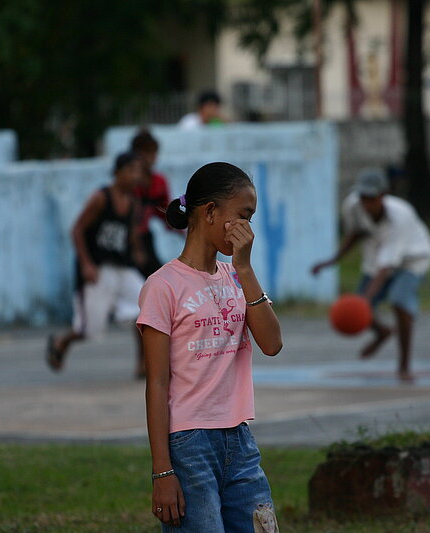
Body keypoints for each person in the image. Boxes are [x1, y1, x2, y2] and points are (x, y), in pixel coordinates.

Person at [137, 162, 283, 531]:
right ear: (211, 212)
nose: (248, 228)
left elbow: (272, 343)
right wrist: (162, 472)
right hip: (189, 445)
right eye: (243, 216)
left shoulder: (237, 277)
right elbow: (157, 383)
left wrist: (245, 270)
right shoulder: (163, 285)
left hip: (240, 441)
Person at [311, 168, 430, 383]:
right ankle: (382, 332)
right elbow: (355, 233)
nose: (366, 203)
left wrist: (363, 303)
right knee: (363, 301)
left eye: (371, 198)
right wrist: (332, 260)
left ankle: (404, 366)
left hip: (413, 258)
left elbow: (387, 266)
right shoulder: (353, 205)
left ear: (383, 195)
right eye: (363, 197)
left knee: (399, 301)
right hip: (378, 257)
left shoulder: (400, 217)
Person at [46, 151, 147, 378]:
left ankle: (143, 364)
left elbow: (131, 234)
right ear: (118, 173)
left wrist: (138, 251)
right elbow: (77, 229)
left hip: (122, 267)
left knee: (148, 309)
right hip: (98, 268)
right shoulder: (101, 198)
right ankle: (62, 341)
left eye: (138, 171)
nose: (136, 176)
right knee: (89, 329)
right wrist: (86, 264)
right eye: (131, 170)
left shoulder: (132, 203)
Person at [130, 129, 173, 277]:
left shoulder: (159, 182)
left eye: (154, 153)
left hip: (144, 238)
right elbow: (130, 219)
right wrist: (136, 249)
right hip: (128, 239)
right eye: (147, 153)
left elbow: (165, 213)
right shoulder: (129, 182)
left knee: (159, 277)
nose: (152, 158)